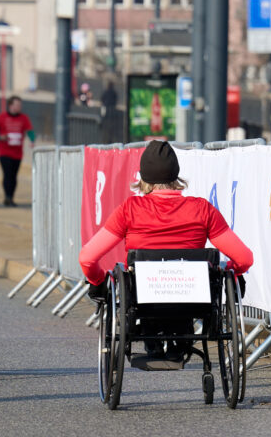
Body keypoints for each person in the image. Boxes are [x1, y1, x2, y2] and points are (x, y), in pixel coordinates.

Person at [78, 140, 253, 368]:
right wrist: (231, 271)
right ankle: (181, 339)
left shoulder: (130, 210)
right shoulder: (202, 209)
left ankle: (152, 338)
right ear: (175, 175)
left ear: (143, 177)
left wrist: (98, 281)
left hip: (143, 298)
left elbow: (87, 258)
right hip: (192, 299)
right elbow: (244, 258)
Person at [0, 96, 34, 207]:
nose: (19, 107)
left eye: (20, 105)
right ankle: (7, 196)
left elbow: (30, 131)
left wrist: (32, 140)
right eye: (17, 105)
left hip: (17, 152)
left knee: (14, 175)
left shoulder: (24, 118)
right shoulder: (1, 117)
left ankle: (11, 197)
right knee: (7, 174)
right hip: (4, 151)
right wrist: (0, 137)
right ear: (10, 105)